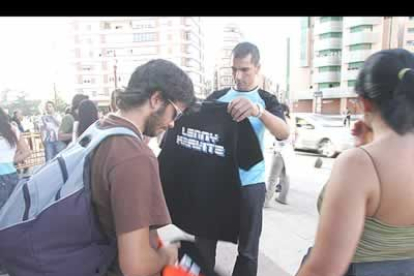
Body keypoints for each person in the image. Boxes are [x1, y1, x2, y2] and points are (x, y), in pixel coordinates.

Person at [296, 48, 414, 276]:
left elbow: (323, 270)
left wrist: (361, 154)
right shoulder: (365, 161)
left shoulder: (359, 165)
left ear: (364, 103)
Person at [90, 59, 195, 276]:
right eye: (175, 113)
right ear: (156, 100)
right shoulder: (134, 156)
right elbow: (136, 266)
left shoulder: (99, 130)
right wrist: (167, 254)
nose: (173, 123)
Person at [196, 42, 289, 276]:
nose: (238, 76)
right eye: (234, 69)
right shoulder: (217, 96)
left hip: (250, 184)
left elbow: (283, 132)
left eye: (245, 69)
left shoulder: (266, 99)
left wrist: (258, 111)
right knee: (204, 247)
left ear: (258, 67)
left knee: (247, 252)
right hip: (215, 185)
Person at [264, 103, 295, 206]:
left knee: (272, 178)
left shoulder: (283, 121)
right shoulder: (291, 120)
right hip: (288, 151)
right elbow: (297, 134)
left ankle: (266, 201)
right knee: (284, 176)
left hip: (280, 151)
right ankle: (282, 197)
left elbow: (278, 135)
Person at [0, 106, 31, 209]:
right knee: (13, 212)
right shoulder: (12, 129)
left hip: (6, 177)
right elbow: (26, 152)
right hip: (12, 175)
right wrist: (10, 161)